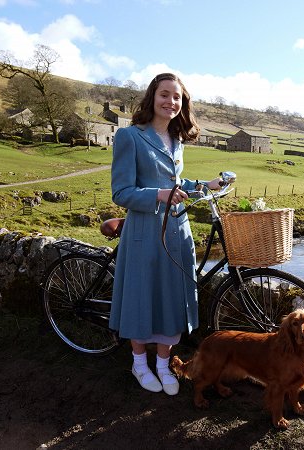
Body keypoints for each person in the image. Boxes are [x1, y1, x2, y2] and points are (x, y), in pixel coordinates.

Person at [109, 73, 221, 395]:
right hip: (144, 231)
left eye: (177, 97)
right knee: (143, 297)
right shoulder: (129, 137)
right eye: (165, 94)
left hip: (176, 231)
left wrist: (206, 186)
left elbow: (176, 186)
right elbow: (122, 192)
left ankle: (163, 363)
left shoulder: (177, 140)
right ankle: (139, 363)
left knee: (170, 298)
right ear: (152, 97)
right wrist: (158, 195)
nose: (171, 101)